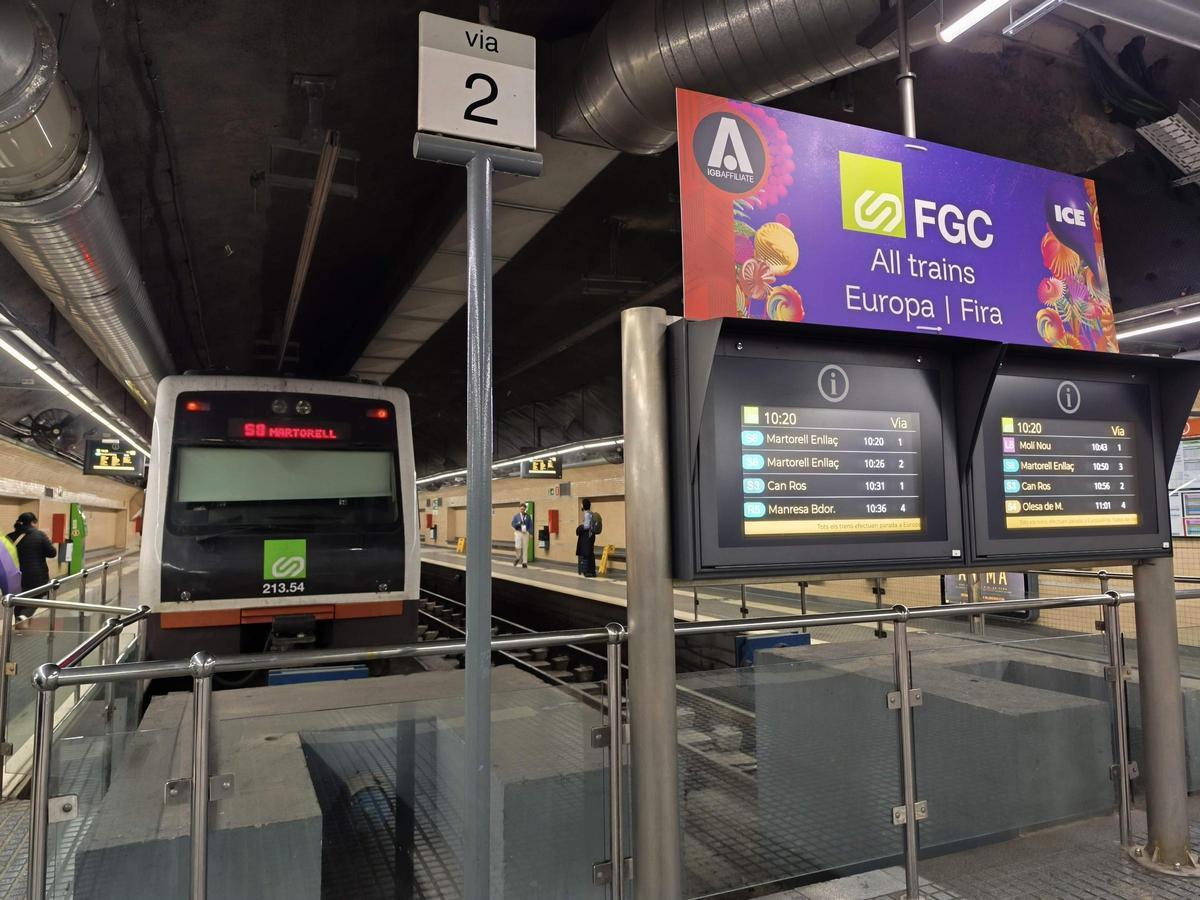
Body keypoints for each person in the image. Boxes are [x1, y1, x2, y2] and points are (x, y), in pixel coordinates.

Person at [7, 513, 56, 622]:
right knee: (38, 595)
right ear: (32, 523)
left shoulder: (9, 537)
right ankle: (24, 617)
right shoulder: (39, 535)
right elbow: (52, 553)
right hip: (36, 576)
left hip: (15, 576)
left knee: (18, 600)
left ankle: (18, 624)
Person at [511, 502, 532, 568]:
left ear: (525, 509)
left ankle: (524, 562)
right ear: (519, 509)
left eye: (523, 509)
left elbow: (530, 525)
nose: (522, 510)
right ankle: (517, 558)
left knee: (525, 548)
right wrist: (519, 523)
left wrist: (530, 533)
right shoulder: (516, 516)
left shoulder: (528, 516)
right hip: (518, 532)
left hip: (525, 533)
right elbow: (513, 525)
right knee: (518, 546)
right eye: (521, 509)